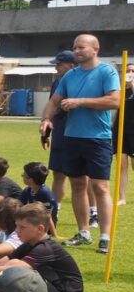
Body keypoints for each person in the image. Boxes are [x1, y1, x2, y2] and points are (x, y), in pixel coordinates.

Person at [40, 33, 120, 252]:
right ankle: (83, 231)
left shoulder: (107, 71)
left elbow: (115, 101)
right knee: (77, 185)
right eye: (75, 47)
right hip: (72, 138)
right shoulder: (70, 76)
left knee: (100, 187)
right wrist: (46, 119)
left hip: (98, 138)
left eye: (81, 47)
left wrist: (80, 101)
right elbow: (54, 101)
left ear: (95, 49)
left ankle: (105, 236)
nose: (77, 51)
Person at [42, 49, 77, 221]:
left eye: (59, 64)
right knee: (57, 173)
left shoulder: (80, 81)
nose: (56, 67)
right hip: (59, 133)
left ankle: (93, 212)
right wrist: (46, 132)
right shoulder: (57, 83)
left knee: (81, 177)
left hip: (77, 133)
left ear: (71, 65)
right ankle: (55, 211)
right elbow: (52, 108)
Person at [113, 61, 134, 204]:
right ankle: (122, 197)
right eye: (128, 71)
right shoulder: (119, 90)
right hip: (120, 129)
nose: (130, 74)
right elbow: (114, 108)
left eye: (133, 71)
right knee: (121, 164)